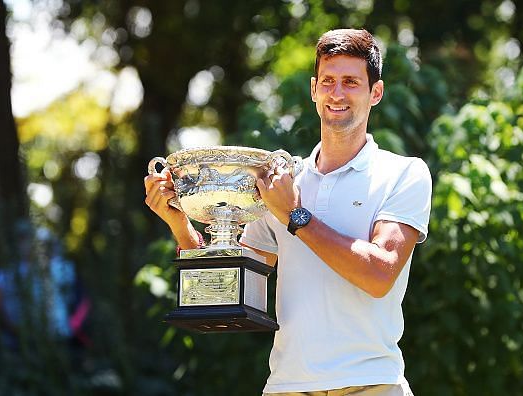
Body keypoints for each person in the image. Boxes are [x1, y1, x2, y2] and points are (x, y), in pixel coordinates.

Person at [144, 29, 431, 396]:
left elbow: (379, 274)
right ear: (314, 90)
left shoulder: (404, 173)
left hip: (373, 384)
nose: (337, 93)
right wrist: (179, 222)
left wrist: (296, 215)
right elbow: (229, 290)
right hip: (287, 386)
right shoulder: (280, 181)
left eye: (351, 82)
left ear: (375, 92)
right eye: (328, 81)